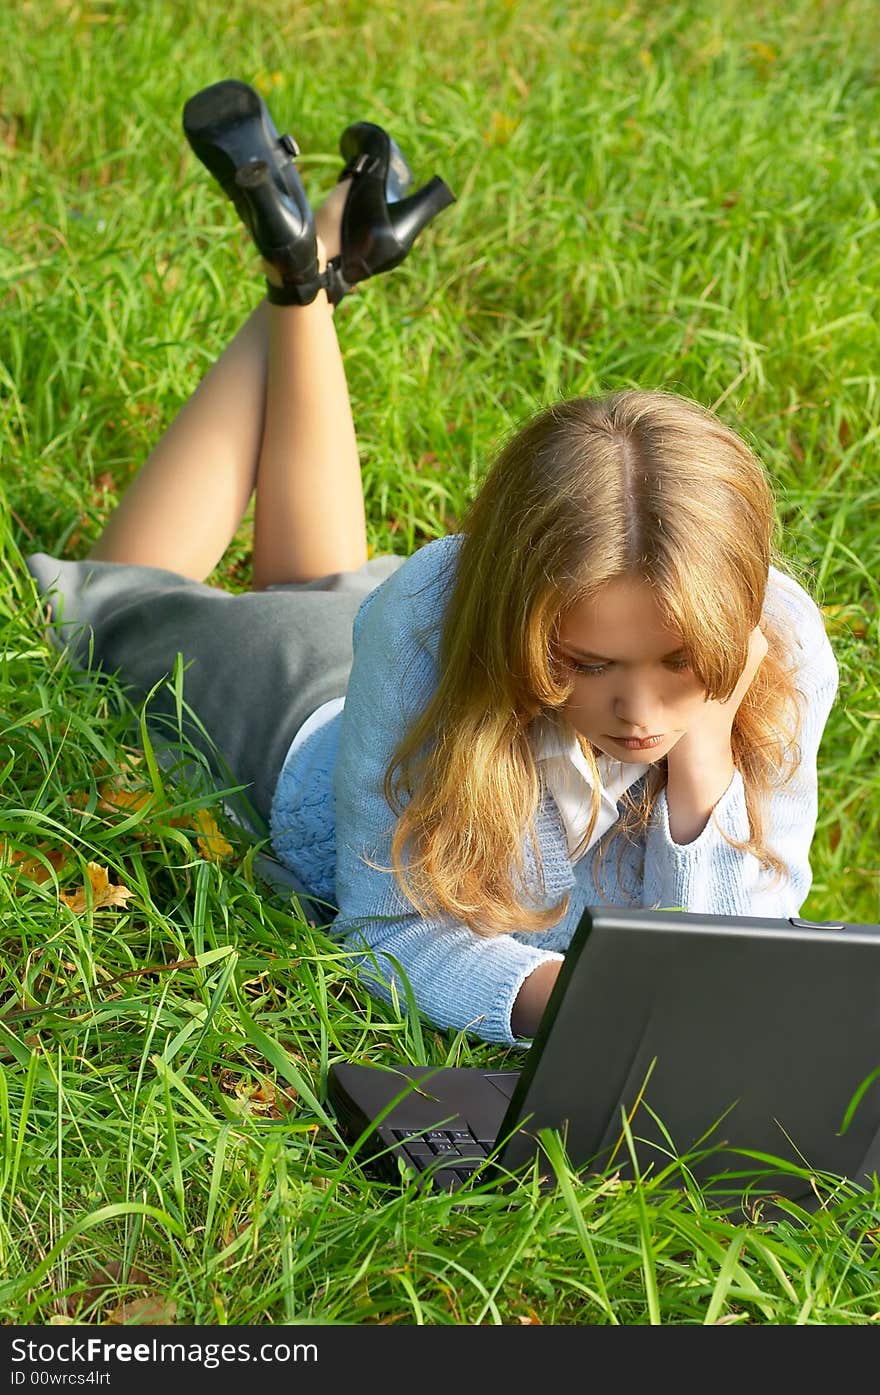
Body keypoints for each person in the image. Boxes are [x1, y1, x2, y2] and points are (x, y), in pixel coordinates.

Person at [25, 81, 839, 1050]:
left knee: (324, 574)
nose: (640, 715)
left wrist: (704, 773)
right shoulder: (425, 627)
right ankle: (304, 262)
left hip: (380, 629)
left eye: (678, 667)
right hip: (299, 711)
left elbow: (728, 986)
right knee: (121, 590)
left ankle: (312, 258)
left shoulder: (777, 646)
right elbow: (388, 932)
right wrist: (574, 1009)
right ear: (518, 611)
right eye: (589, 665)